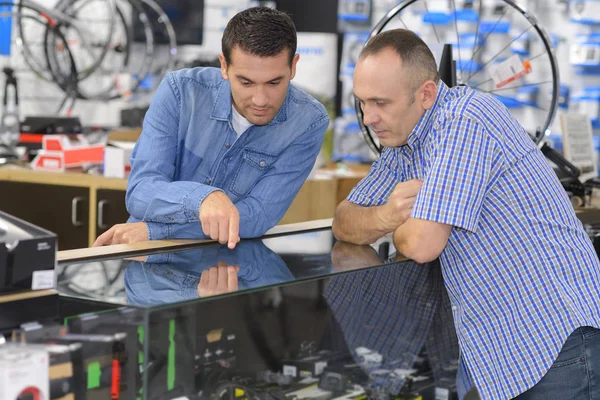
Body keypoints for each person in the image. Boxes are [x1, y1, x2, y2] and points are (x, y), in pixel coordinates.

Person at [332, 29, 600, 400]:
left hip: (553, 341)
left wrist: (394, 225)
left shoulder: (465, 119)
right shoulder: (402, 143)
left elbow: (423, 243)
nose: (369, 118)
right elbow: (344, 219)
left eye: (380, 102)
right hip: (498, 351)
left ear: (425, 94)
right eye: (362, 103)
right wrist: (388, 214)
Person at [94, 7, 329, 249]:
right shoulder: (180, 92)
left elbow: (257, 217)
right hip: (146, 260)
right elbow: (140, 193)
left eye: (274, 82)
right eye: (246, 82)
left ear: (293, 66)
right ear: (224, 66)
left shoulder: (308, 122)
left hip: (224, 269)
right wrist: (203, 198)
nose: (260, 99)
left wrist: (155, 231)